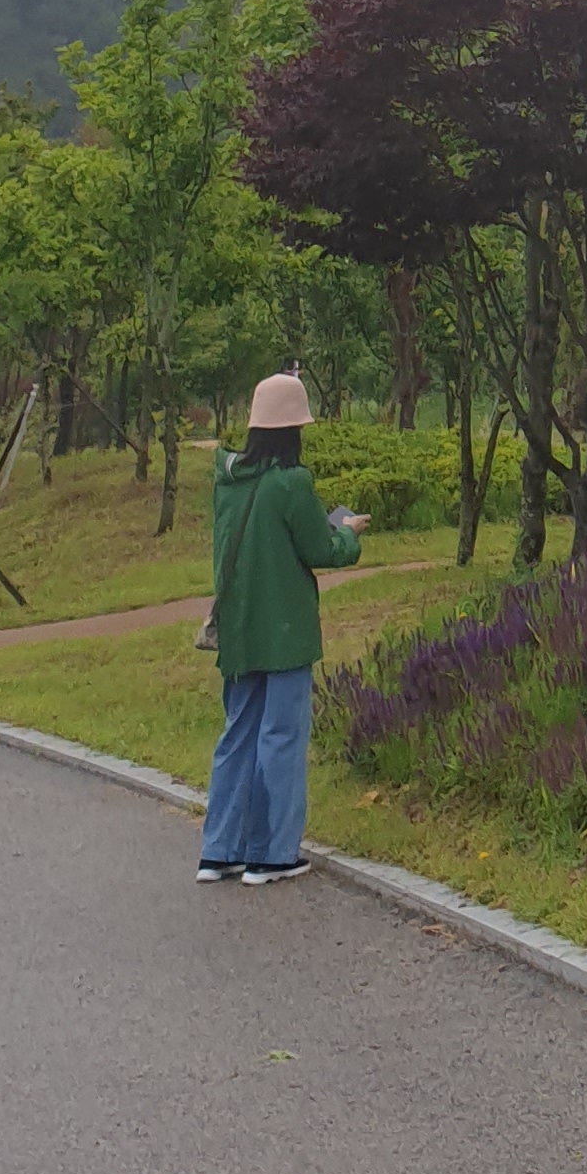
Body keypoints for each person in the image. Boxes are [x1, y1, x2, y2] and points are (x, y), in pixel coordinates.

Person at [199, 373, 365, 888]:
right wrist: (347, 532)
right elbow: (321, 549)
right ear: (294, 428)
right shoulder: (291, 483)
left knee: (237, 734)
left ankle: (219, 850)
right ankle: (271, 855)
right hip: (285, 629)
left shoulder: (228, 481)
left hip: (238, 628)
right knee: (281, 737)